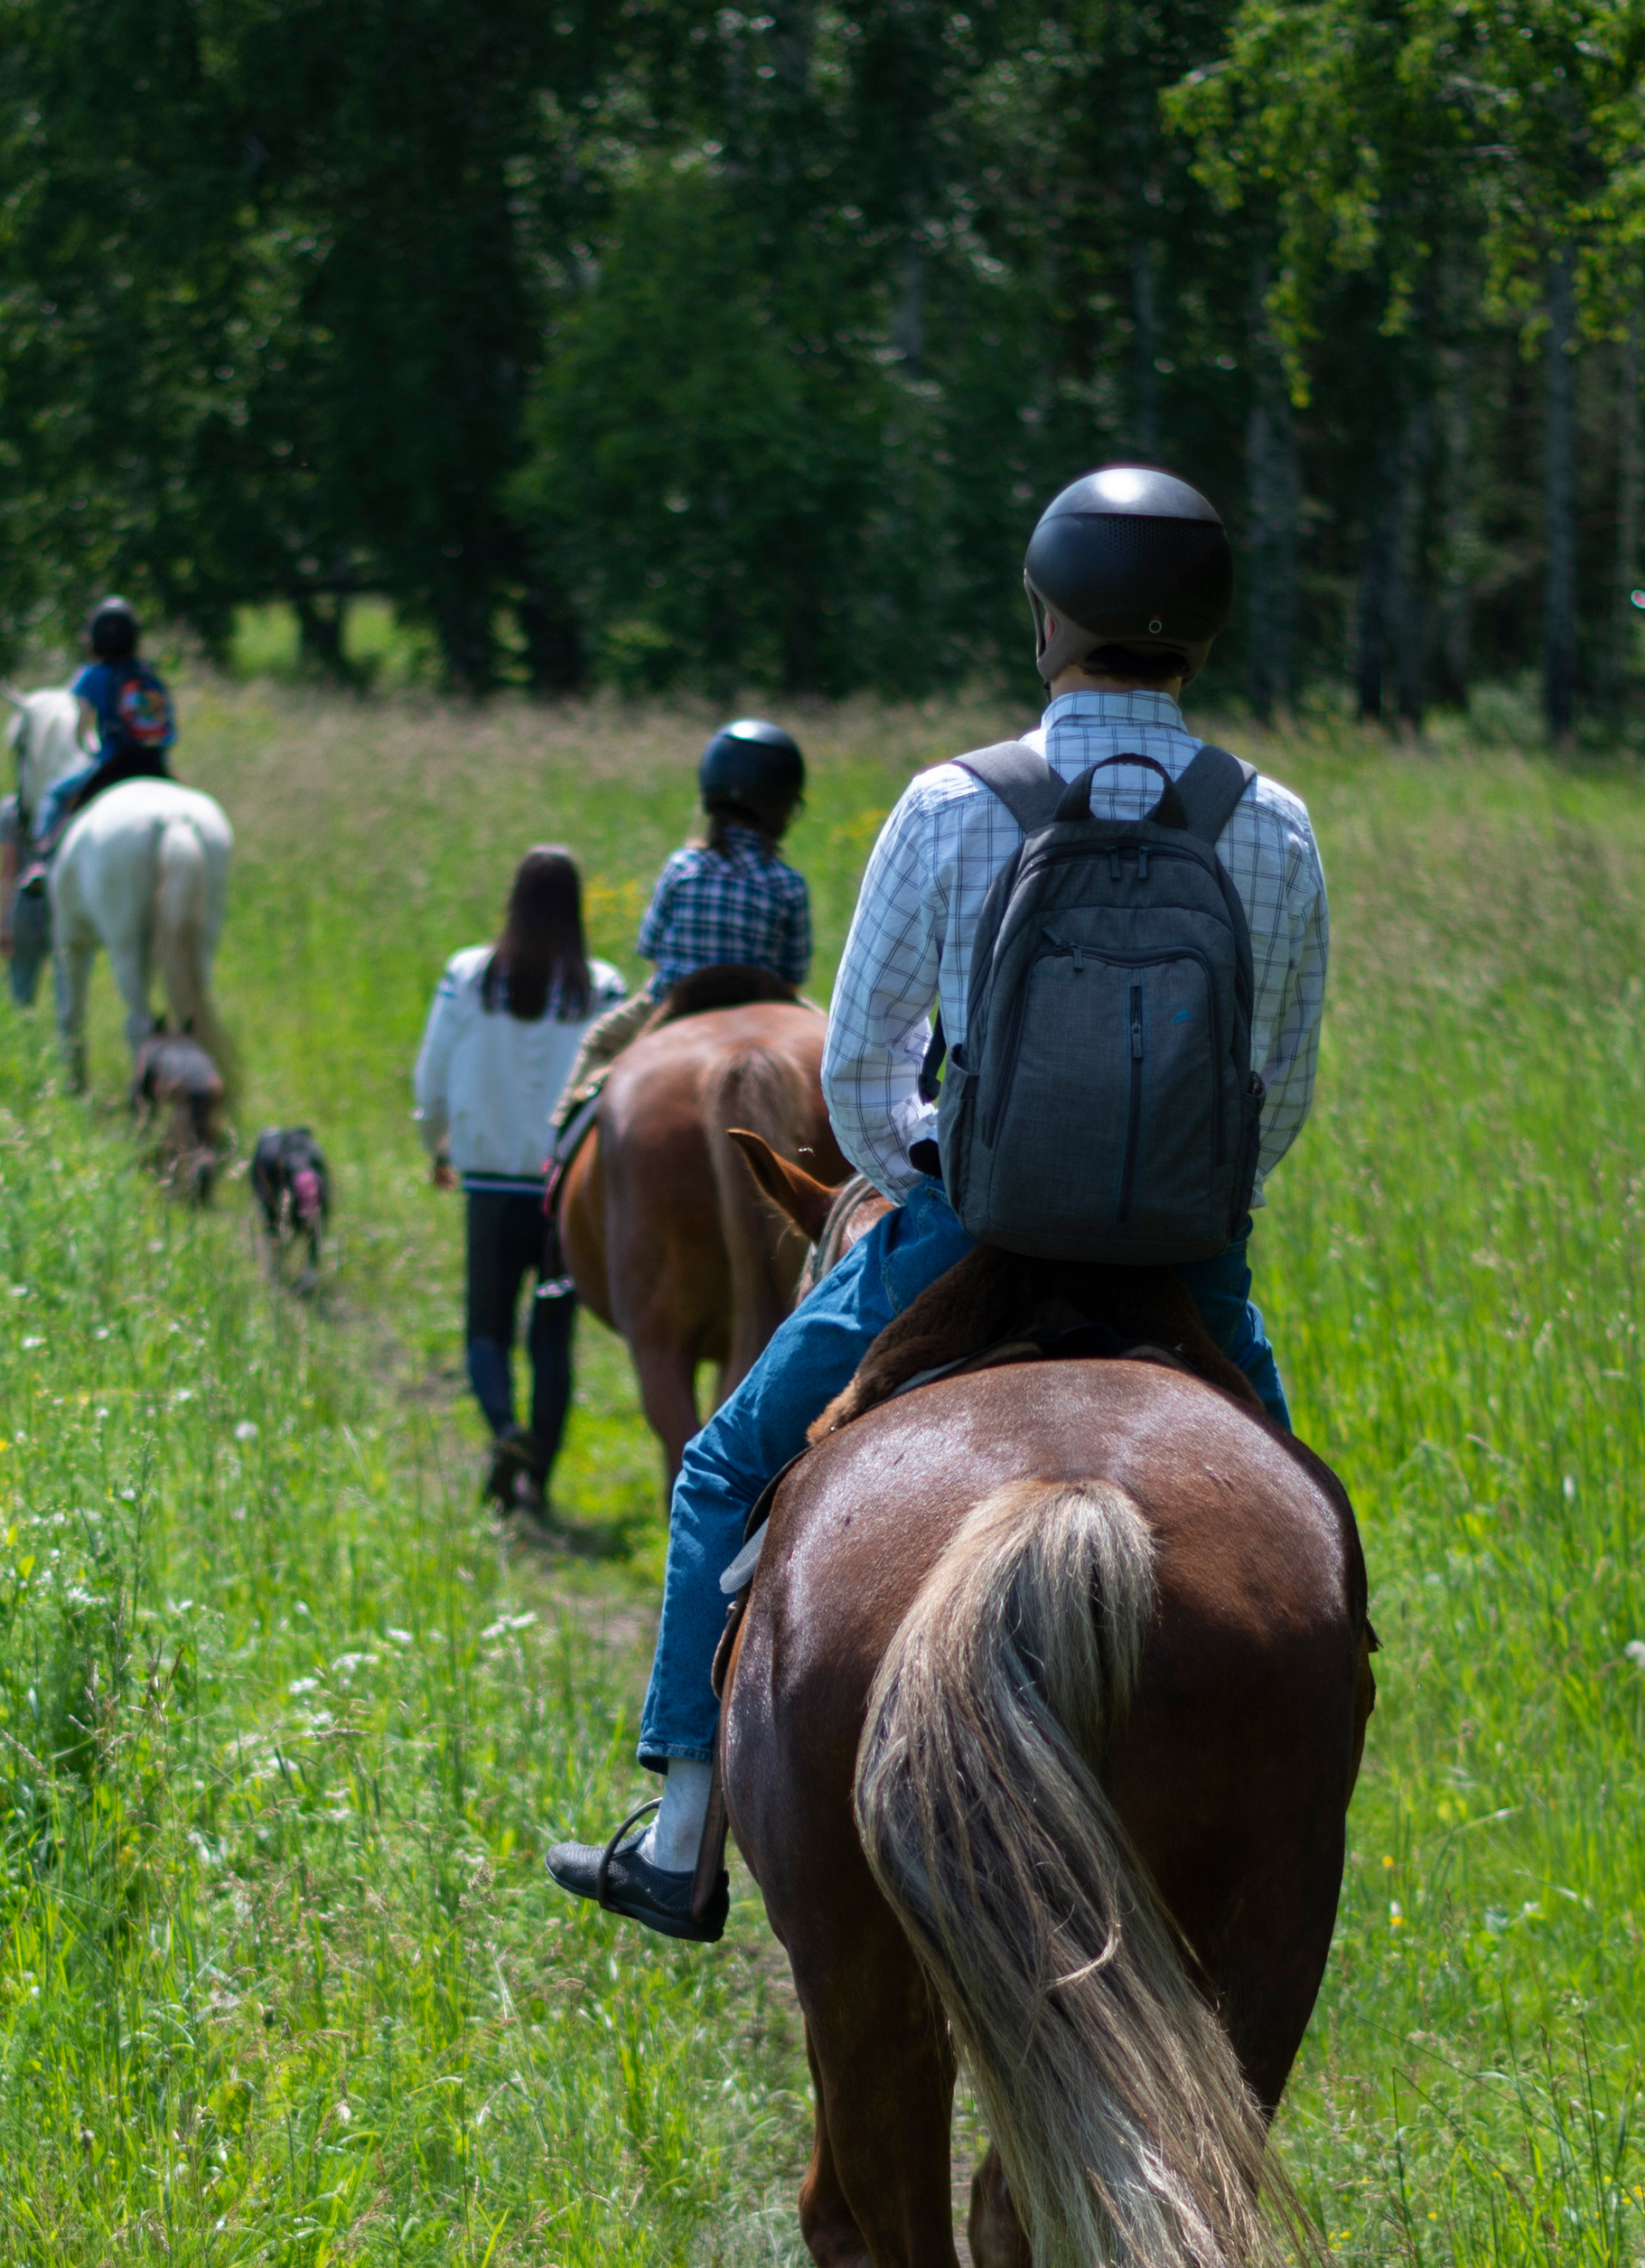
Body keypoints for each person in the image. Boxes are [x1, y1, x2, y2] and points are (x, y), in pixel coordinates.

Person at [547, 465, 1331, 1943]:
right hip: (1189, 1254)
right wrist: (1178, 1204)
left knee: (721, 1472)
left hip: (968, 1232)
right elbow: (1274, 1092)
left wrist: (947, 1173)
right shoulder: (1273, 825)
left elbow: (853, 1077)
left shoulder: (953, 801)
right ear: (1204, 637)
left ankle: (677, 1837)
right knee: (1306, 1542)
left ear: (1047, 619)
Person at [414, 848, 629, 1513]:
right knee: (552, 1335)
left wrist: (436, 1142)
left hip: (487, 1176)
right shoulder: (602, 987)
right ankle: (538, 1475)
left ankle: (505, 1428)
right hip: (560, 1187)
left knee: (486, 1322)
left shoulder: (469, 975)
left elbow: (432, 1071)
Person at [549, 721, 813, 1136]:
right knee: (835, 1049)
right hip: (764, 999)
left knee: (600, 1041)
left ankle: (561, 1142)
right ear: (784, 806)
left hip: (673, 998)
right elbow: (793, 973)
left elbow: (649, 945)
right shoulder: (787, 881)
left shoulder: (682, 866)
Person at [20, 597, 176, 882]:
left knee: (55, 794)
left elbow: (82, 731)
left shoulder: (91, 676)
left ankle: (42, 861)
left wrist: (90, 747)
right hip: (156, 765)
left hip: (114, 765)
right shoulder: (148, 674)